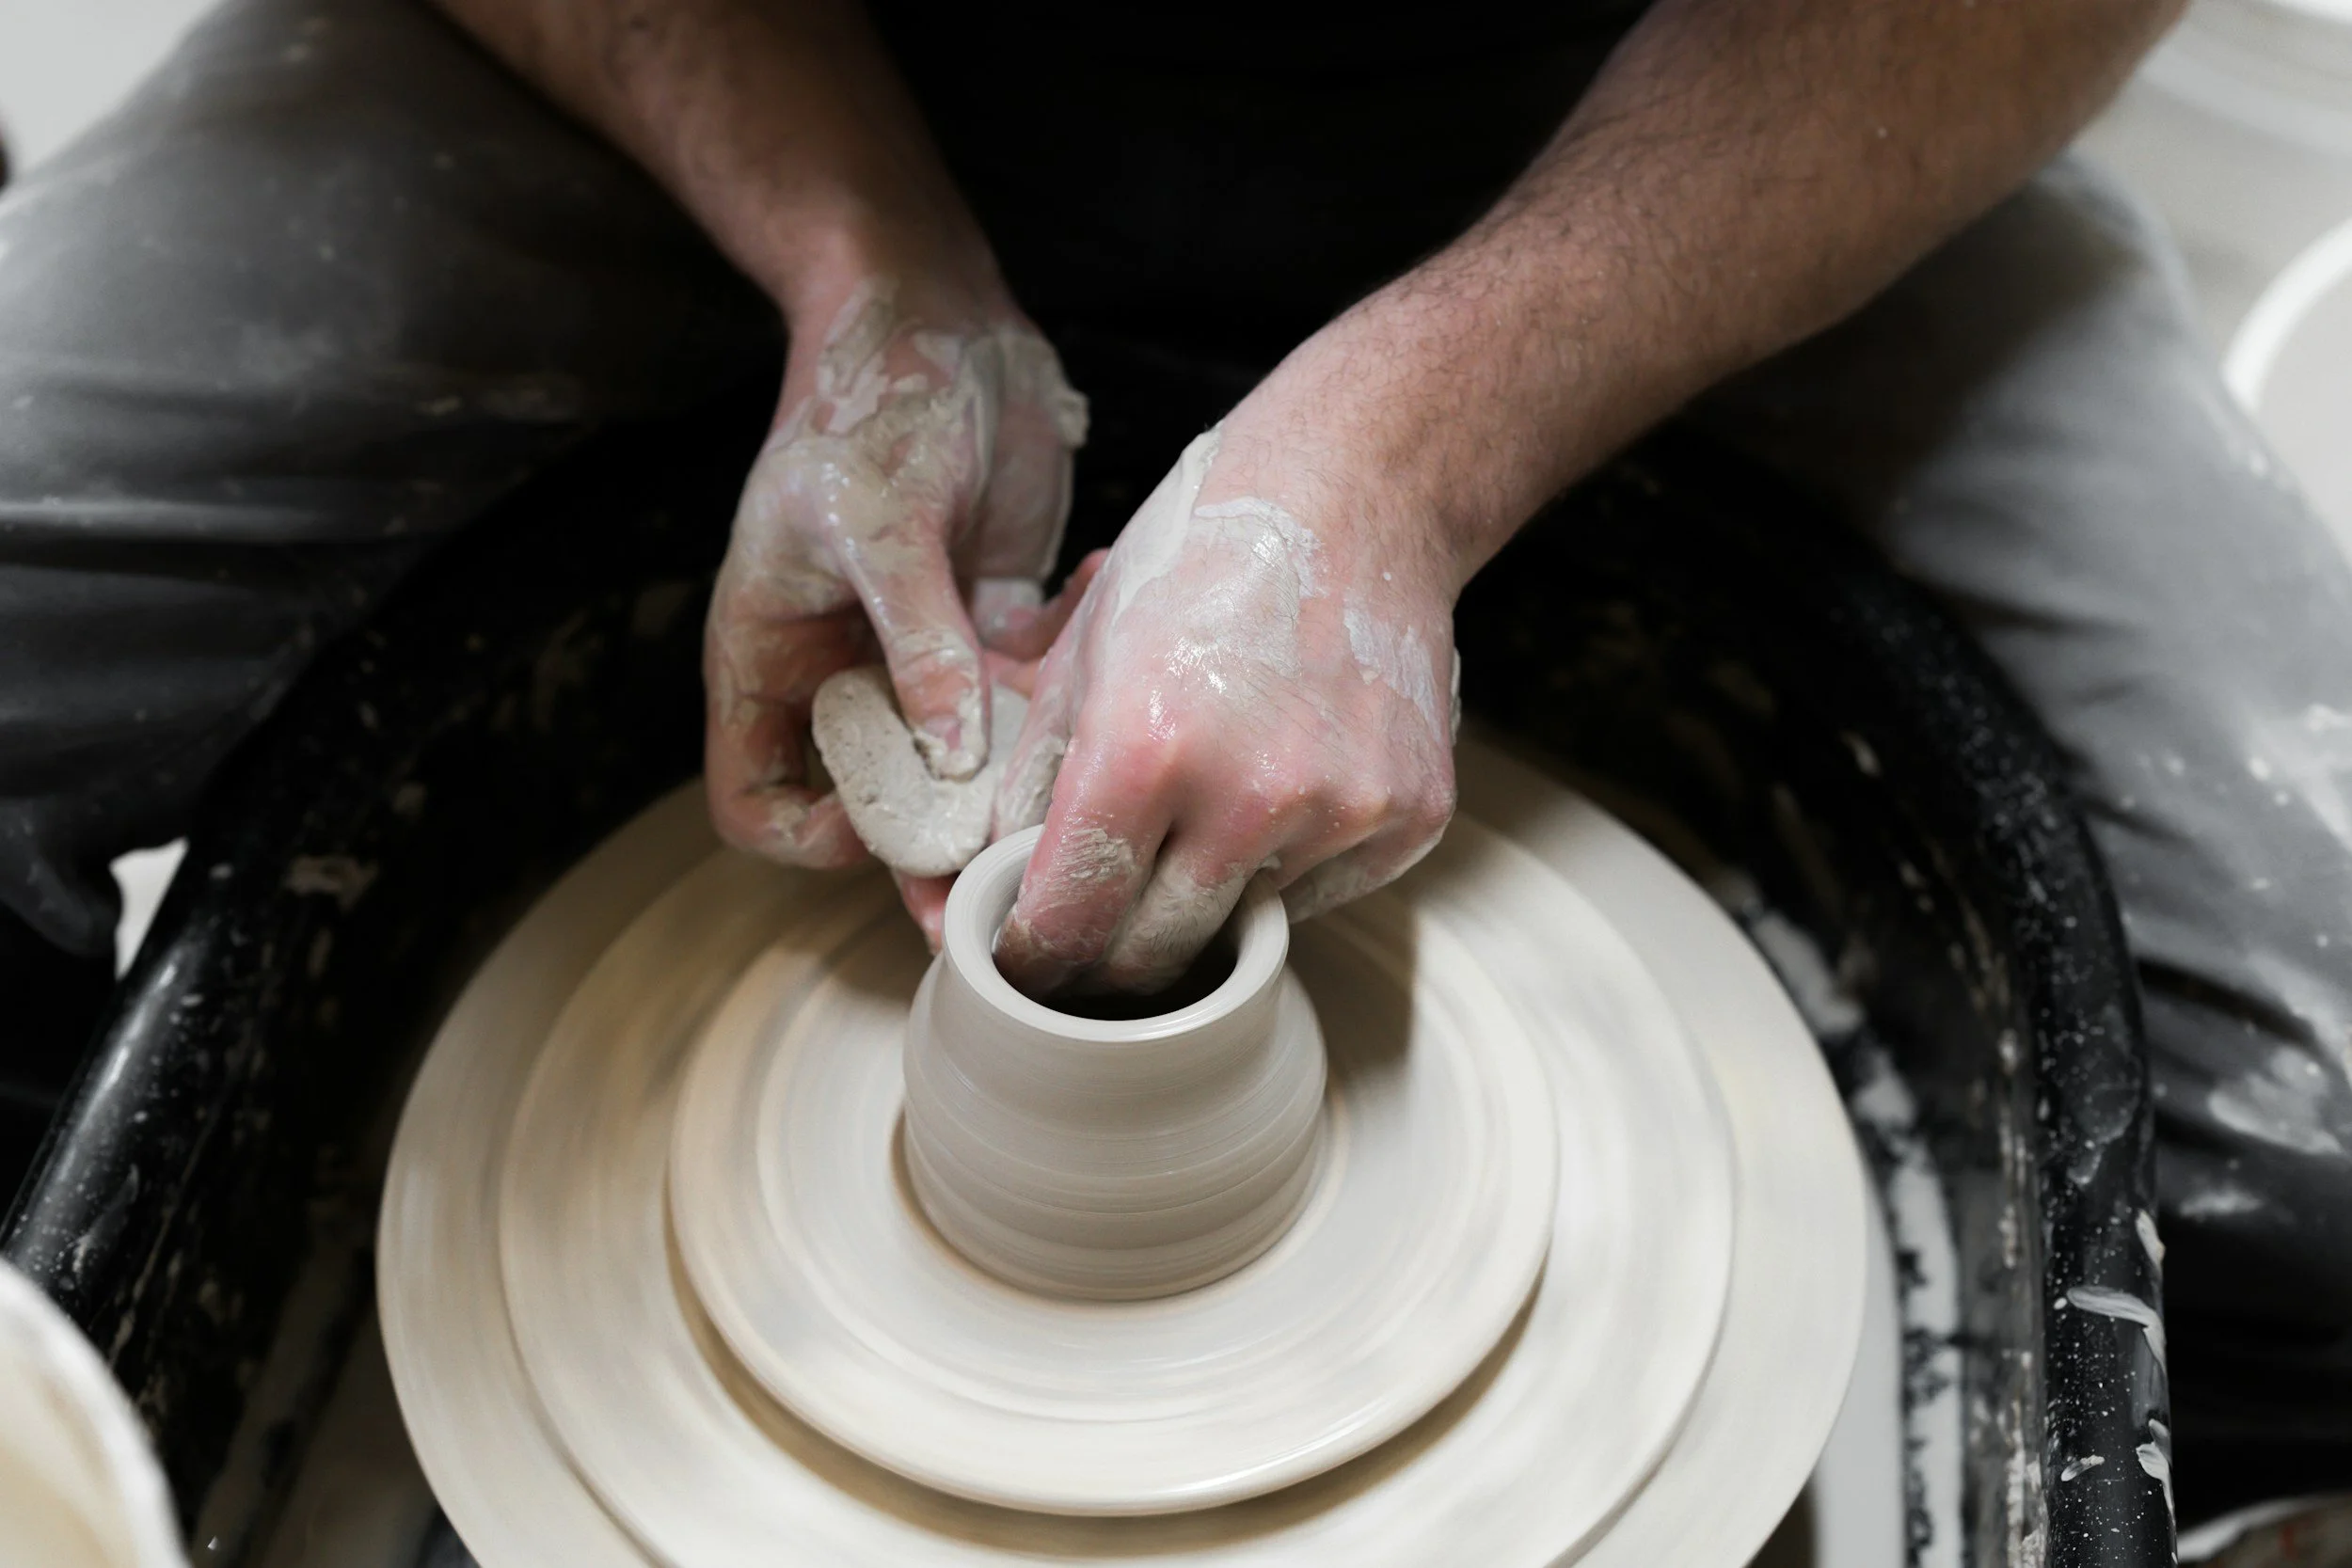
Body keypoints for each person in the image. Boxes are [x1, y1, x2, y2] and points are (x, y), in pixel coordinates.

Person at [3, 0, 2349, 1512]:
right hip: (746, 63)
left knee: (2314, 1134)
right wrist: (856, 261)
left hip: (1679, 104)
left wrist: (1419, 441)